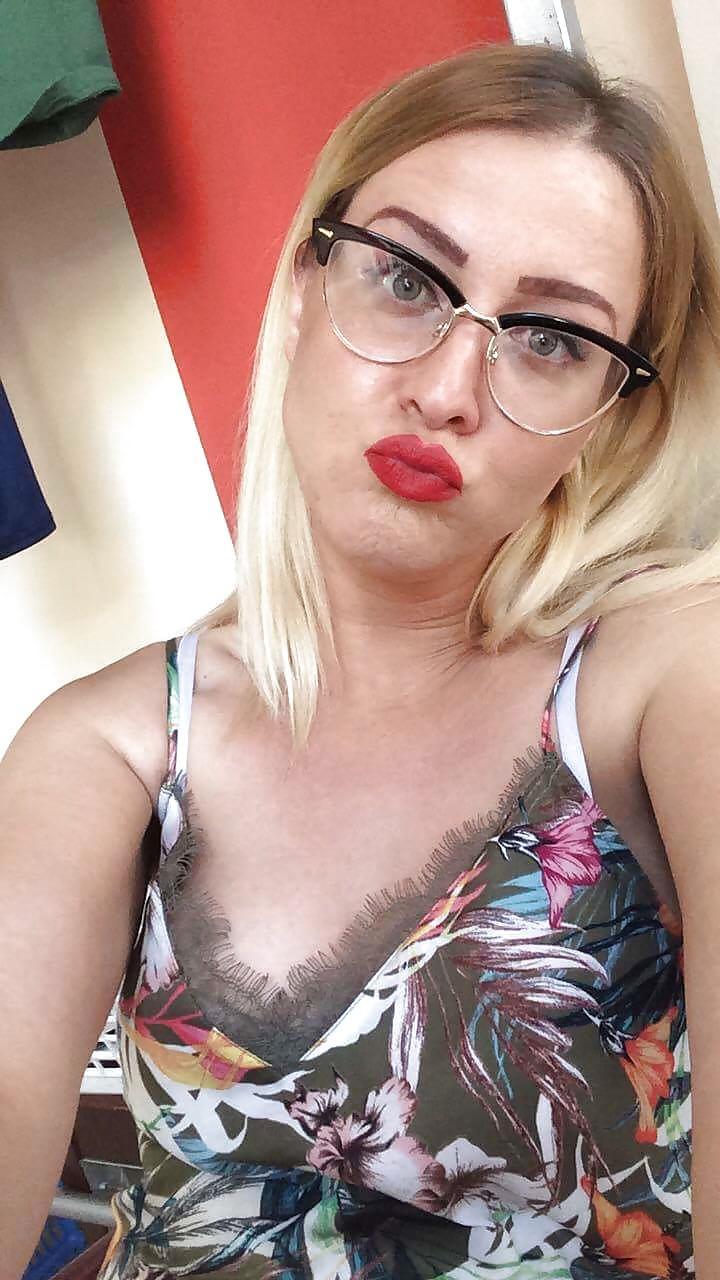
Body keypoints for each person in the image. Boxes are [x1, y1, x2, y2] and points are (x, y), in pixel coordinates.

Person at [2, 41, 720, 1280]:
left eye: (551, 338)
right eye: (406, 277)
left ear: (612, 417)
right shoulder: (111, 743)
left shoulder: (663, 674)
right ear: (302, 285)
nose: (448, 388)